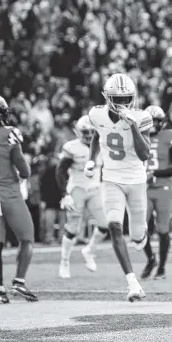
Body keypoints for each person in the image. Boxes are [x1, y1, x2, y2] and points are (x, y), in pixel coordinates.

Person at [84, 74, 153, 302]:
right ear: (108, 97)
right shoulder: (97, 114)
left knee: (136, 235)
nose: (123, 103)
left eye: (126, 98)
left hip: (136, 180)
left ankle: (144, 244)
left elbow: (144, 154)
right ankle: (132, 282)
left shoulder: (141, 117)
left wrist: (131, 125)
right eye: (117, 98)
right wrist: (91, 160)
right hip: (111, 178)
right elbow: (96, 135)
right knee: (114, 225)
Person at [56, 115, 108, 278]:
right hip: (77, 189)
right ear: (78, 132)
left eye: (92, 132)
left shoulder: (103, 145)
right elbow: (60, 172)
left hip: (95, 189)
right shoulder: (72, 147)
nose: (88, 135)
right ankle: (64, 261)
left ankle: (89, 250)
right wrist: (65, 194)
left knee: (105, 224)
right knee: (73, 229)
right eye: (85, 132)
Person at [0, 96, 38, 303]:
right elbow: (23, 169)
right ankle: (19, 282)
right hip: (10, 193)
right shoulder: (10, 134)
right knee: (27, 238)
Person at [141, 105, 172, 280]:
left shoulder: (171, 136)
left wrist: (154, 174)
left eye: (155, 121)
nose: (152, 125)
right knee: (139, 229)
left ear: (162, 121)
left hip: (164, 189)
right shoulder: (138, 137)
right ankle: (151, 259)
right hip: (143, 189)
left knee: (163, 230)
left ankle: (162, 268)